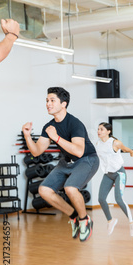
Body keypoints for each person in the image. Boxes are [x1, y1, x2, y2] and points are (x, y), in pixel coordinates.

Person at [22, 87, 99, 242]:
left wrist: (56, 138)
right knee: (44, 190)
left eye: (52, 100)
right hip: (66, 162)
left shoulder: (75, 123)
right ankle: (74, 216)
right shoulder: (49, 127)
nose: (48, 104)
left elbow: (78, 151)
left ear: (63, 104)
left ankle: (85, 220)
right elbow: (37, 152)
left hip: (86, 159)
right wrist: (27, 136)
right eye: (47, 101)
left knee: (70, 188)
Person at [96, 122, 133, 237]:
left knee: (119, 199)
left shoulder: (115, 143)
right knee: (101, 199)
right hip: (107, 174)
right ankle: (110, 220)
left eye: (102, 129)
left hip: (119, 173)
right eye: (98, 129)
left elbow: (125, 149)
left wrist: (131, 152)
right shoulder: (98, 144)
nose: (99, 131)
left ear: (108, 132)